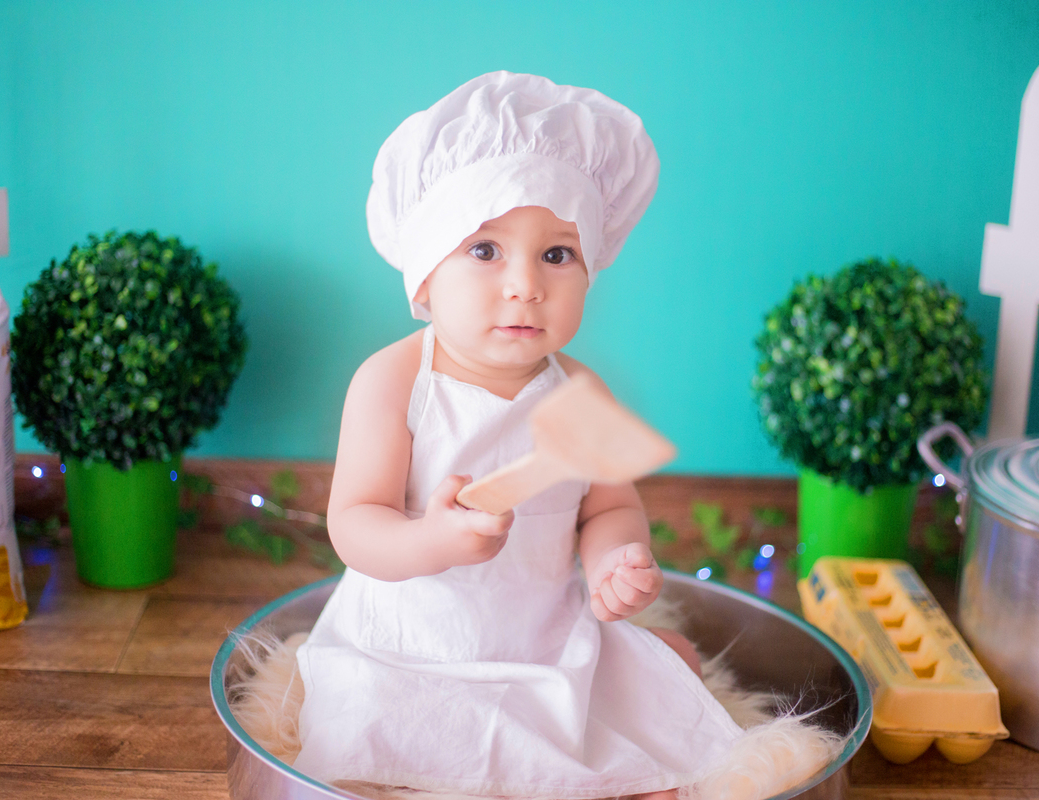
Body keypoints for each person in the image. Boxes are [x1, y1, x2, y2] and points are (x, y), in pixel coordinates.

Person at [292, 71, 833, 800]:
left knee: (659, 676)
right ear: (424, 275)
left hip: (542, 637)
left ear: (589, 271)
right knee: (376, 727)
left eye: (557, 255)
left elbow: (609, 506)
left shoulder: (577, 393)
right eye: (485, 250)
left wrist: (617, 559)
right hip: (415, 645)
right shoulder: (392, 382)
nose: (525, 284)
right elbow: (355, 525)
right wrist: (432, 540)